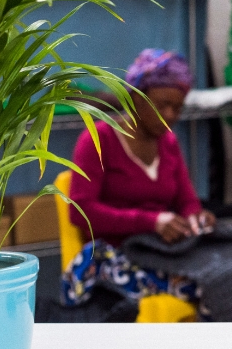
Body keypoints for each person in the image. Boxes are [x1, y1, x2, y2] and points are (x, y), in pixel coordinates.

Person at [63, 49, 213, 310]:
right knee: (211, 286)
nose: (170, 115)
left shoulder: (168, 143)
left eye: (177, 108)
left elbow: (187, 201)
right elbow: (81, 212)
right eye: (162, 105)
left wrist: (195, 218)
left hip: (159, 251)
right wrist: (151, 222)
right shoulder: (98, 140)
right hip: (112, 255)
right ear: (135, 98)